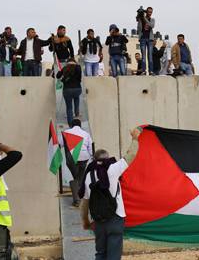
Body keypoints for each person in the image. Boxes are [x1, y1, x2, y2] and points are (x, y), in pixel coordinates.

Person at [80, 128, 139, 260]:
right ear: (107, 158)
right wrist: (135, 138)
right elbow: (131, 155)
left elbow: (85, 202)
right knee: (113, 256)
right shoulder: (113, 169)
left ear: (94, 160)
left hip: (98, 221)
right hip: (115, 218)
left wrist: (85, 221)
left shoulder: (88, 175)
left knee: (100, 254)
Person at [64, 118, 93, 207]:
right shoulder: (86, 134)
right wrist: (92, 158)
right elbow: (91, 148)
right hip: (84, 158)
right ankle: (81, 196)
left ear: (71, 125)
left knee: (77, 178)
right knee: (80, 177)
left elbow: (60, 144)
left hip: (72, 159)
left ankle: (77, 200)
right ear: (80, 125)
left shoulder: (66, 132)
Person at [56, 58, 82, 126]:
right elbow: (79, 78)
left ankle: (71, 124)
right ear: (74, 62)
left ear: (67, 62)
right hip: (77, 89)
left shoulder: (65, 68)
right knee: (76, 99)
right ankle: (77, 116)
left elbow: (57, 76)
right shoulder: (78, 67)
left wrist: (60, 72)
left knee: (69, 107)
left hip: (67, 90)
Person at [137, 7, 155, 75]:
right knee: (143, 56)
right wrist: (139, 17)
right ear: (146, 12)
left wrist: (144, 18)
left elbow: (151, 25)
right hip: (142, 39)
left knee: (150, 56)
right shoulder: (141, 19)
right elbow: (138, 29)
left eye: (151, 12)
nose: (150, 13)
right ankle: (144, 71)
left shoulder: (152, 19)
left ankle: (151, 71)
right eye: (149, 12)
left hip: (150, 39)